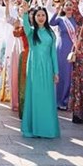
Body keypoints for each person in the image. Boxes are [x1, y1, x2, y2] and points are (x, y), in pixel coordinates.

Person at [20, 7, 60, 139]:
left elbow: (53, 53)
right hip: (34, 67)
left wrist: (56, 72)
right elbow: (25, 24)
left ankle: (47, 129)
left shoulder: (51, 33)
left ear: (46, 17)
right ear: (34, 18)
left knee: (47, 97)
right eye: (38, 15)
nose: (41, 17)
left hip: (47, 67)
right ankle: (33, 128)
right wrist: (25, 12)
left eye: (43, 15)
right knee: (34, 96)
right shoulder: (31, 32)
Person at [50, 0, 79, 110]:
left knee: (69, 75)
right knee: (60, 74)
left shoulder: (75, 20)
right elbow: (51, 23)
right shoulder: (61, 19)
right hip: (61, 48)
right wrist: (56, 11)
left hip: (71, 49)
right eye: (66, 5)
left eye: (70, 5)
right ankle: (57, 100)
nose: (68, 7)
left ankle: (65, 100)